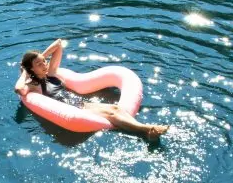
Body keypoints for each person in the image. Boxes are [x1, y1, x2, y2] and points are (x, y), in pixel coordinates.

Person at [14, 38, 170, 140]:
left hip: (79, 102)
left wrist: (41, 56)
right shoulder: (33, 86)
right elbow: (19, 89)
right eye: (39, 64)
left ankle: (145, 132)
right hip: (72, 108)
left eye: (44, 62)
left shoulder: (52, 73)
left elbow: (59, 44)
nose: (45, 65)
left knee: (114, 108)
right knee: (111, 113)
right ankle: (146, 130)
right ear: (31, 70)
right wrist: (25, 72)